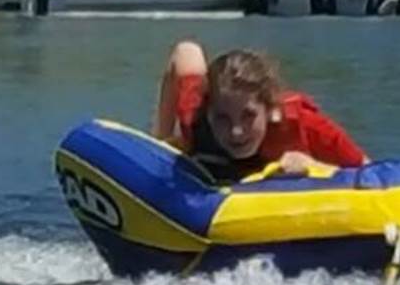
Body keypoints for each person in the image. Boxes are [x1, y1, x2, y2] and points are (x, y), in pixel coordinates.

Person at [151, 40, 367, 182]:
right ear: (208, 112)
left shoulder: (304, 126)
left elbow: (372, 174)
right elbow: (186, 51)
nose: (236, 131)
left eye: (249, 116)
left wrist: (314, 167)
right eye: (222, 118)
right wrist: (161, 142)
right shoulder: (195, 117)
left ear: (269, 110)